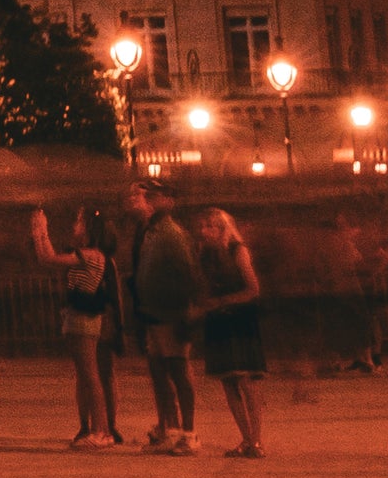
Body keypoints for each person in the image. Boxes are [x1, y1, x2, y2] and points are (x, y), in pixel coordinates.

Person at [27, 206, 124, 448]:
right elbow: (44, 259)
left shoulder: (90, 254)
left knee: (91, 376)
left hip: (83, 319)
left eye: (79, 222)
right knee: (85, 375)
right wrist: (38, 233)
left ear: (91, 230)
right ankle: (95, 428)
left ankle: (102, 431)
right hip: (77, 317)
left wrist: (41, 231)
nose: (74, 226)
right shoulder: (89, 254)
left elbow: (49, 259)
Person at [126, 180, 204, 454]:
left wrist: (186, 311)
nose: (145, 200)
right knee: (159, 371)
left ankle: (189, 432)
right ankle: (170, 429)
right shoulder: (150, 232)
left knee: (178, 371)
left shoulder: (170, 233)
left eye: (151, 196)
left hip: (170, 313)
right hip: (152, 313)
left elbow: (187, 273)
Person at [196, 208, 269, 460]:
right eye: (202, 226)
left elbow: (253, 289)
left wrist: (223, 301)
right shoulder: (205, 254)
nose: (204, 231)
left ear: (222, 229)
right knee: (228, 381)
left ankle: (256, 440)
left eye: (210, 226)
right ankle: (246, 439)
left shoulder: (238, 251)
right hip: (218, 322)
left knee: (248, 381)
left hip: (240, 320)